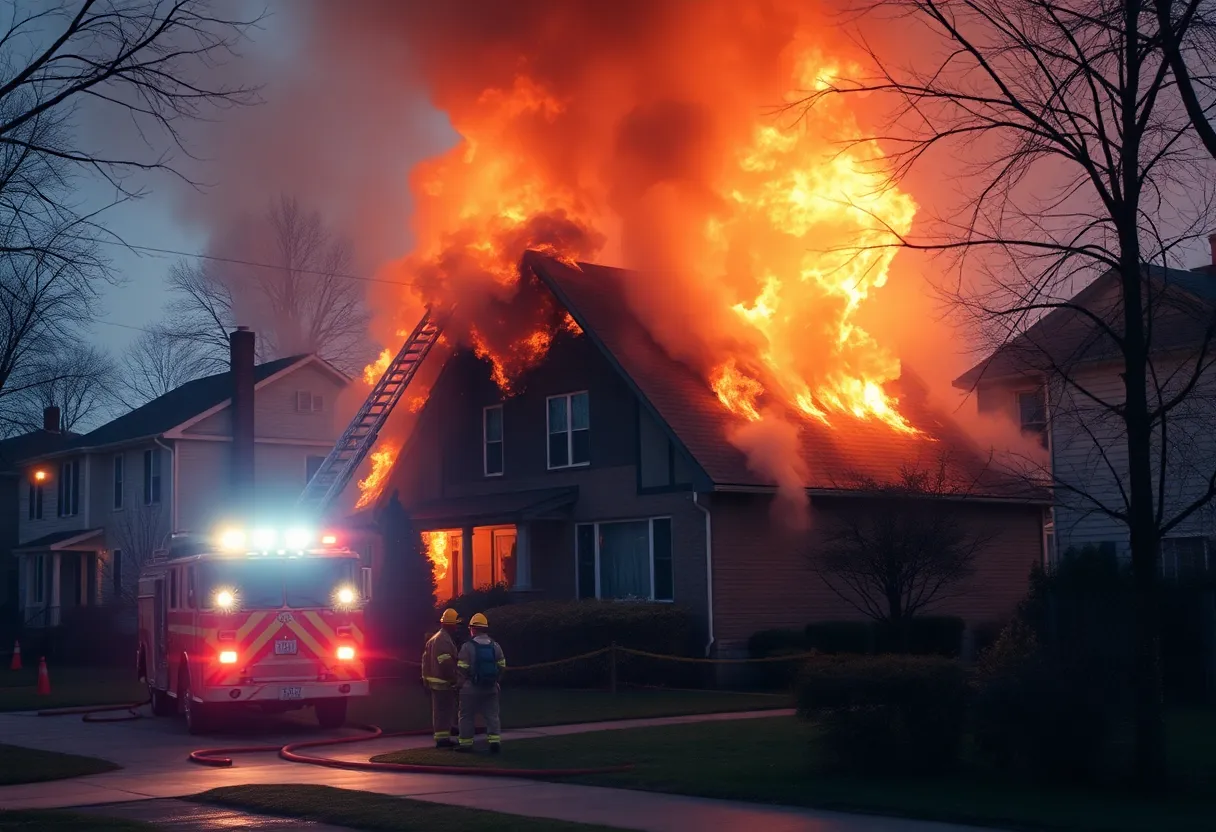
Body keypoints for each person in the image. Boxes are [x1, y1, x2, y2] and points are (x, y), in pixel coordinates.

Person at [455, 612, 506, 753]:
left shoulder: (467, 647)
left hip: (471, 687)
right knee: (492, 715)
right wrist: (496, 681)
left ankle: (465, 744)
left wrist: (460, 684)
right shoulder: (495, 646)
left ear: (473, 629)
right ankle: (495, 742)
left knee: (466, 716)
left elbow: (461, 669)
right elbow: (502, 666)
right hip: (491, 687)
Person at [421, 608, 461, 748]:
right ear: (450, 625)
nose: (457, 627)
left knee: (443, 710)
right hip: (443, 683)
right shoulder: (442, 640)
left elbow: (425, 662)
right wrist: (455, 679)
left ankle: (446, 732)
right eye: (455, 624)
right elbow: (445, 664)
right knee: (443, 711)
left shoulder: (436, 638)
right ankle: (442, 739)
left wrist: (425, 679)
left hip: (437, 682)